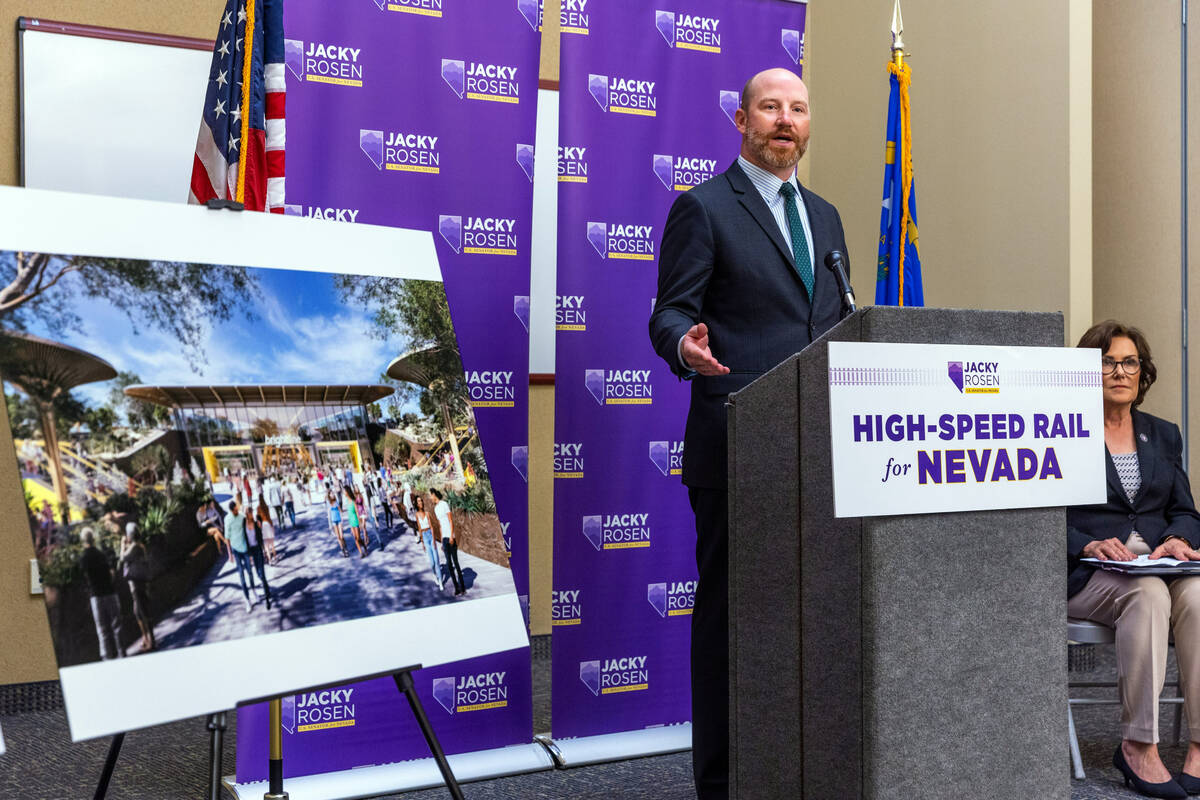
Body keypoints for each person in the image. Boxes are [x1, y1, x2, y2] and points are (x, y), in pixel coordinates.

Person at [647, 67, 849, 800]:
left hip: (819, 452)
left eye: (798, 108)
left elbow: (833, 323)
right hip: (737, 445)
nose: (785, 121)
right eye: (771, 108)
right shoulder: (703, 207)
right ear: (742, 120)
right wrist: (684, 348)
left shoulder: (825, 217)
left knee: (813, 618)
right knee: (732, 624)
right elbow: (668, 313)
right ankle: (724, 783)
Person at [1066, 321, 1200, 798]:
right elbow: (1039, 516)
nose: (1119, 371)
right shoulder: (1059, 430)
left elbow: (1185, 510)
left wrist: (1178, 539)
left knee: (1199, 595)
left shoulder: (1163, 435)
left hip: (1159, 563)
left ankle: (1199, 747)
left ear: (1142, 373)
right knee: (1145, 595)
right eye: (1107, 361)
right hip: (1093, 572)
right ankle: (1138, 745)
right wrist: (1085, 543)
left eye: (1129, 362)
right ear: (1085, 370)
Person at [79, 527, 124, 660]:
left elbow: (84, 578)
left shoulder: (84, 559)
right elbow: (111, 574)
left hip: (96, 595)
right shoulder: (101, 554)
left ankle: (107, 656)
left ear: (83, 540)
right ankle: (122, 652)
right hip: (109, 592)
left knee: (102, 629)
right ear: (94, 538)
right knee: (117, 625)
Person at [119, 522, 154, 652]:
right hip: (137, 585)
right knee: (138, 613)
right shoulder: (138, 546)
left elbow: (122, 558)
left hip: (138, 585)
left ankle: (151, 641)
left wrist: (122, 545)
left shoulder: (135, 547)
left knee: (143, 612)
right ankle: (146, 639)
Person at [225, 500, 265, 611]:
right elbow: (227, 538)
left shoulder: (242, 516)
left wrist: (257, 523)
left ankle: (254, 592)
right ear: (231, 510)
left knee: (250, 573)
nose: (237, 511)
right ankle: (247, 600)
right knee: (242, 576)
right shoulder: (227, 520)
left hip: (245, 549)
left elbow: (250, 522)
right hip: (236, 551)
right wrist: (230, 554)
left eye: (237, 509)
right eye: (235, 510)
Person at [432, 489, 464, 595]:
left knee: (456, 563)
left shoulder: (444, 504)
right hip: (444, 539)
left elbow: (450, 520)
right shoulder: (436, 508)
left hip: (450, 537)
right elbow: (440, 525)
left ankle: (462, 587)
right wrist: (441, 540)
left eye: (430, 495)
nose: (430, 497)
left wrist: (452, 536)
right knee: (449, 565)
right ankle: (457, 588)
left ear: (434, 495)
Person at [414, 495, 441, 587]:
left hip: (430, 534)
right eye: (418, 502)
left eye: (421, 501)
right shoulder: (417, 515)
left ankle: (440, 581)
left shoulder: (427, 513)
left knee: (437, 561)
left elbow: (432, 527)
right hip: (425, 537)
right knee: (432, 562)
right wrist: (422, 542)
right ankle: (434, 574)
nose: (420, 503)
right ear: (416, 504)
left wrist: (433, 539)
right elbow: (419, 528)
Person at [343, 485, 367, 558]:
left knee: (358, 538)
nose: (343, 492)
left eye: (344, 491)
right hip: (351, 522)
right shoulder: (347, 501)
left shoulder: (353, 501)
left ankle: (364, 546)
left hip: (356, 521)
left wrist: (360, 522)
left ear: (347, 492)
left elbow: (357, 512)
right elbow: (349, 513)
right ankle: (361, 553)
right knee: (355, 539)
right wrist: (350, 525)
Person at [326, 489, 349, 557]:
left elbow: (340, 511)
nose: (332, 494)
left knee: (341, 536)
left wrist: (342, 519)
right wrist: (330, 525)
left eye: (333, 493)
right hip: (333, 521)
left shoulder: (336, 501)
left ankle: (345, 546)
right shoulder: (329, 503)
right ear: (329, 495)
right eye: (331, 494)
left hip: (339, 520)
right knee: (338, 537)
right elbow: (329, 514)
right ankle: (343, 550)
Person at [257, 500, 278, 564]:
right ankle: (275, 557)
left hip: (263, 528)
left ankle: (270, 560)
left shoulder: (258, 508)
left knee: (267, 547)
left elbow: (258, 522)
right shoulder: (266, 507)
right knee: (272, 545)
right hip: (268, 525)